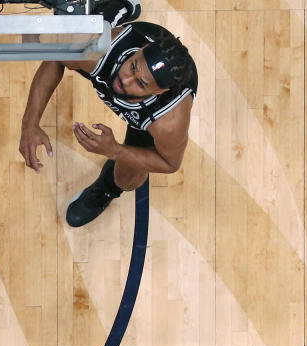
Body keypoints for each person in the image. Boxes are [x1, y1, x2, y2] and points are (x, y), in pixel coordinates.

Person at [18, 14, 197, 227]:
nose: (125, 80)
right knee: (79, 34)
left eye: (139, 83)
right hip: (122, 49)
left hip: (147, 115)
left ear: (159, 91)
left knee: (126, 179)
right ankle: (121, 8)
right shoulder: (101, 51)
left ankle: (106, 189)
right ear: (140, 50)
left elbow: (169, 163)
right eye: (132, 66)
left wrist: (115, 151)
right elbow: (58, 57)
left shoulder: (168, 122)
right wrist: (30, 123)